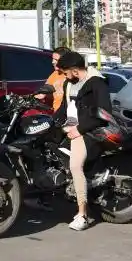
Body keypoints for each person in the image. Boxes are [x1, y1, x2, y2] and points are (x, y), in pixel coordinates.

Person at [55, 51, 115, 231]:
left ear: (74, 70)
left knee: (75, 166)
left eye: (65, 73)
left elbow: (104, 114)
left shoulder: (97, 83)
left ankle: (82, 214)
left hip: (89, 131)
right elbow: (64, 109)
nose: (64, 76)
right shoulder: (69, 83)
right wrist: (50, 122)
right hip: (70, 128)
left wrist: (79, 130)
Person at [42, 46, 73, 111]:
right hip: (57, 115)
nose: (52, 62)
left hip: (72, 116)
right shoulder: (55, 74)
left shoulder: (75, 74)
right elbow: (42, 93)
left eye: (56, 60)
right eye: (53, 59)